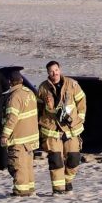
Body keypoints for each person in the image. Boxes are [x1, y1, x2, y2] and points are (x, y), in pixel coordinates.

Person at [37, 60, 86, 194]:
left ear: (60, 70)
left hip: (71, 130)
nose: (54, 73)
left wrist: (79, 119)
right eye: (51, 71)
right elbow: (39, 108)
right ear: (48, 73)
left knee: (74, 159)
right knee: (56, 161)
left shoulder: (72, 84)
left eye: (56, 70)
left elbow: (82, 102)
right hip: (52, 131)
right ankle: (58, 189)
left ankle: (68, 181)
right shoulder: (43, 88)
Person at [0, 69, 39, 197]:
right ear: (21, 80)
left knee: (18, 165)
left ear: (10, 83)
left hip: (19, 137)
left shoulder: (14, 97)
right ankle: (29, 187)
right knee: (27, 164)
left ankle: (21, 190)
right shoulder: (30, 93)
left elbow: (12, 119)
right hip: (31, 136)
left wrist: (5, 135)